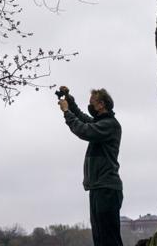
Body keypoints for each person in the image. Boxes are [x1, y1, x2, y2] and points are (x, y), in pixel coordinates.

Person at [58, 86, 123, 246]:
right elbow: (82, 118)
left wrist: (67, 112)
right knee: (100, 237)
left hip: (107, 188)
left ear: (101, 104)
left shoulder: (110, 125)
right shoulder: (100, 122)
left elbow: (84, 130)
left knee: (109, 238)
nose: (90, 106)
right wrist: (69, 100)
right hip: (98, 188)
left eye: (92, 103)